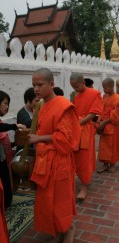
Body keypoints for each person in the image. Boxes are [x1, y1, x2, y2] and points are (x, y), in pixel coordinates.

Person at [28, 68, 81, 243]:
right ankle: (59, 231)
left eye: (40, 85)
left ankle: (69, 229)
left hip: (59, 161)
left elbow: (65, 138)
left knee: (59, 201)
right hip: (44, 161)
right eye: (34, 85)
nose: (36, 89)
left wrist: (39, 138)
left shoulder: (63, 105)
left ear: (51, 84)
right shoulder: (42, 106)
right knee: (47, 201)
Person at [70, 73, 103, 200]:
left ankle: (84, 185)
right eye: (73, 87)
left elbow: (94, 113)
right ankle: (75, 181)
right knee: (74, 157)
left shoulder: (94, 94)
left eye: (77, 87)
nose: (75, 89)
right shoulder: (75, 95)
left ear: (83, 82)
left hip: (86, 128)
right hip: (75, 129)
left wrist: (79, 122)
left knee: (84, 158)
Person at [0, 90, 26, 208]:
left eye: (8, 104)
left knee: (7, 195)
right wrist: (15, 126)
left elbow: (4, 144)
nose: (7, 107)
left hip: (3, 159)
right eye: (4, 103)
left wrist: (16, 142)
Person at [96, 78, 119, 173]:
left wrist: (104, 123)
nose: (104, 90)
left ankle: (112, 164)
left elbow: (117, 116)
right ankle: (105, 164)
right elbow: (101, 110)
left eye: (105, 88)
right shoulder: (105, 97)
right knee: (104, 146)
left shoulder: (118, 99)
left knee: (113, 146)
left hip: (113, 126)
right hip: (104, 126)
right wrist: (99, 122)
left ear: (111, 86)